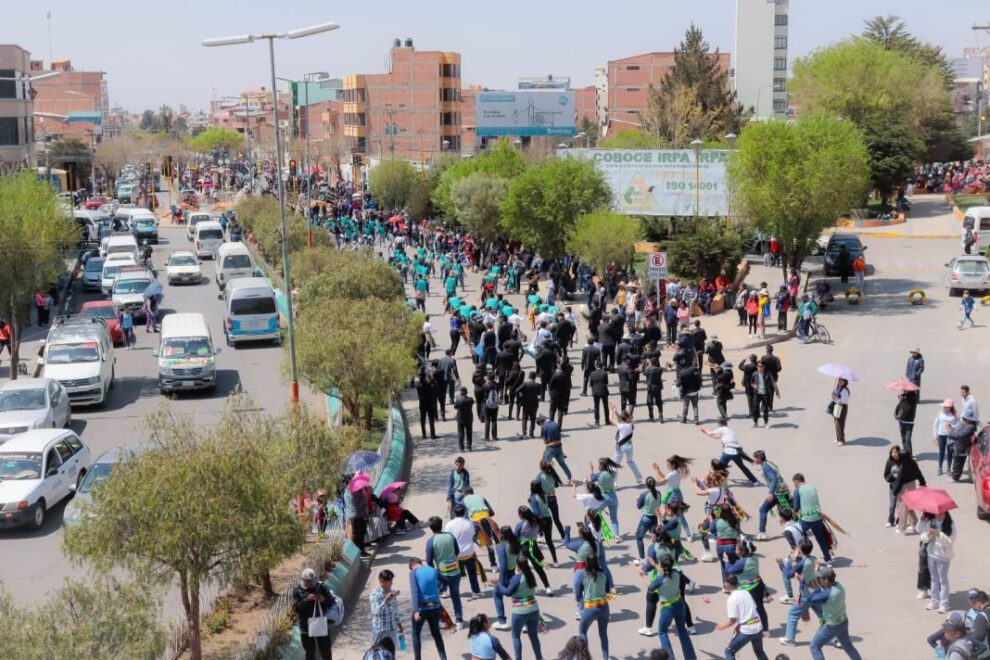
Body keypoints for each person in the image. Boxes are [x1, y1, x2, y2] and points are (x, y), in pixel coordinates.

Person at [644, 554, 697, 660]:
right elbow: (666, 572)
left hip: (668, 608)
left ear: (662, 567)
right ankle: (691, 657)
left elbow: (650, 587)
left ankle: (670, 658)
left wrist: (642, 575)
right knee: (682, 631)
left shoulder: (660, 579)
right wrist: (655, 565)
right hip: (680, 604)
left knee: (662, 632)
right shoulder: (677, 573)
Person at [805, 566, 863, 660]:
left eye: (821, 578)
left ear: (826, 580)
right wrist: (818, 576)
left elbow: (809, 598)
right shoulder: (838, 586)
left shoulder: (827, 594)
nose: (819, 580)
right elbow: (823, 588)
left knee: (814, 647)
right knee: (847, 645)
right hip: (843, 621)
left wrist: (803, 585)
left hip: (832, 626)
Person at [496, 556, 544, 660]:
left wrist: (498, 585)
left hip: (519, 611)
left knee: (515, 636)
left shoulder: (516, 578)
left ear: (518, 566)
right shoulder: (531, 575)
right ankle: (539, 658)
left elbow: (507, 592)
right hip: (534, 609)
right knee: (534, 636)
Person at [778, 538, 821, 647]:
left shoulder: (802, 563)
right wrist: (796, 559)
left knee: (792, 614)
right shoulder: (813, 558)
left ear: (801, 549)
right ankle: (836, 638)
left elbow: (788, 575)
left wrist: (781, 564)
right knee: (823, 615)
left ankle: (789, 639)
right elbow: (800, 565)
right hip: (816, 590)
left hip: (806, 594)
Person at [716, 574, 768, 660]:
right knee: (759, 651)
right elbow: (754, 608)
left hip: (747, 631)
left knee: (729, 652)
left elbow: (732, 620)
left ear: (727, 585)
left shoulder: (732, 599)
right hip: (758, 626)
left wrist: (722, 626)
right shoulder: (746, 592)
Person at [425, 516, 465, 629]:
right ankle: (459, 620)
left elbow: (429, 561)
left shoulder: (431, 541)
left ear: (431, 528)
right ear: (441, 525)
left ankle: (442, 620)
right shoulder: (450, 536)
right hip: (455, 572)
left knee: (434, 597)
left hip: (441, 574)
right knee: (455, 596)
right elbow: (457, 551)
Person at [408, 557, 448, 660]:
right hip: (435, 607)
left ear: (412, 566)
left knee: (416, 633)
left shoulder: (413, 573)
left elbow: (415, 592)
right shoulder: (432, 570)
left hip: (422, 609)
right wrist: (438, 590)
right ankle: (443, 658)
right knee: (436, 633)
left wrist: (416, 610)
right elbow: (445, 581)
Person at [918, 511, 956, 614]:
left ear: (946, 514)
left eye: (942, 514)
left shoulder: (950, 524)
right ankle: (934, 601)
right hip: (931, 555)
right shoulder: (931, 522)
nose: (940, 516)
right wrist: (928, 534)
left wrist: (939, 534)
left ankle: (944, 604)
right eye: (938, 514)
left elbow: (950, 541)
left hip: (943, 557)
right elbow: (922, 536)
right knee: (934, 579)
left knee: (943, 580)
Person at [576, 552, 612, 660]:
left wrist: (579, 600)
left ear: (587, 563)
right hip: (604, 607)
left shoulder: (583, 574)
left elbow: (578, 591)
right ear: (597, 562)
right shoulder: (604, 573)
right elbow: (608, 589)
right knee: (603, 634)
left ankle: (585, 657)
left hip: (589, 608)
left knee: (582, 632)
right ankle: (605, 658)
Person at [700, 419, 760, 484]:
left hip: (728, 452)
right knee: (742, 467)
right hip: (736, 452)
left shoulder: (722, 429)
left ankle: (710, 481)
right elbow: (715, 436)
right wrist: (705, 433)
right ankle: (755, 481)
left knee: (718, 467)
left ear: (720, 424)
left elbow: (711, 433)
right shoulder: (730, 431)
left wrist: (704, 430)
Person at [292, 568, 334, 660]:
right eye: (308, 581)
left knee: (326, 649)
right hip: (306, 627)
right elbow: (296, 607)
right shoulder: (297, 591)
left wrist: (324, 600)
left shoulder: (321, 587)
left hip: (321, 624)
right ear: (303, 580)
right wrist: (307, 599)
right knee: (310, 652)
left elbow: (332, 601)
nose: (311, 583)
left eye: (313, 580)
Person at [883, 445, 926, 533]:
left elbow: (899, 481)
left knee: (902, 507)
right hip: (912, 485)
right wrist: (922, 483)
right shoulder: (912, 462)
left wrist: (894, 492)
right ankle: (915, 523)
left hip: (904, 487)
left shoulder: (903, 467)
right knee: (910, 506)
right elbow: (919, 473)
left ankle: (902, 528)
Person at [791, 474, 833, 562]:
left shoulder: (797, 490)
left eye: (794, 483)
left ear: (797, 481)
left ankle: (799, 557)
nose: (794, 485)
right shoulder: (812, 488)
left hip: (807, 519)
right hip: (818, 517)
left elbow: (796, 508)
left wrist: (792, 513)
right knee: (821, 539)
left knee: (798, 535)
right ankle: (828, 559)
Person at [445, 504, 483, 599]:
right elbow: (473, 535)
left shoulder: (449, 525)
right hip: (469, 553)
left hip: (455, 554)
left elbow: (447, 538)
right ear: (464, 512)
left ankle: (445, 591)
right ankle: (476, 591)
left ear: (453, 513)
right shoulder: (470, 523)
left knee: (451, 573)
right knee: (472, 573)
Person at [752, 450, 791, 540]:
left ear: (759, 458)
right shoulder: (769, 463)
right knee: (786, 510)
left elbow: (773, 479)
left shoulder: (766, 467)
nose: (754, 460)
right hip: (783, 490)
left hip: (777, 492)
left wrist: (770, 493)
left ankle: (762, 532)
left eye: (755, 458)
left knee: (763, 510)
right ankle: (799, 527)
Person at [370, 569, 403, 648]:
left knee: (391, 653)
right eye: (390, 581)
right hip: (380, 630)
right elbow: (375, 612)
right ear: (382, 581)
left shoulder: (392, 591)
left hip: (392, 629)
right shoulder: (375, 594)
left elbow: (395, 610)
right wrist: (385, 601)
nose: (392, 583)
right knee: (379, 653)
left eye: (392, 580)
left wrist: (399, 624)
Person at [611, 405, 644, 483]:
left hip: (620, 447)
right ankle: (638, 478)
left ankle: (614, 482)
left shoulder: (621, 426)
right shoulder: (631, 425)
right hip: (629, 446)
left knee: (615, 464)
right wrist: (616, 411)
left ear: (622, 420)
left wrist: (611, 411)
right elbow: (622, 419)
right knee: (630, 462)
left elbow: (611, 419)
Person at [539, 416, 572, 482]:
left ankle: (544, 479)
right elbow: (559, 438)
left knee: (544, 464)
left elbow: (545, 441)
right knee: (562, 463)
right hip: (559, 448)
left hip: (550, 448)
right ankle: (570, 477)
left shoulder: (544, 427)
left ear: (541, 422)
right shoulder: (555, 424)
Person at [949, 409, 978, 482]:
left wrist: (950, 431)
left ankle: (955, 477)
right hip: (959, 446)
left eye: (964, 419)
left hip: (963, 448)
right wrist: (952, 429)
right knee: (956, 462)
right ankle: (954, 475)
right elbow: (956, 430)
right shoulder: (965, 424)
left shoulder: (970, 427)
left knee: (959, 463)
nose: (963, 420)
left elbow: (959, 435)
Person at [933, 400, 958, 476]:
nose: (945, 408)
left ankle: (949, 469)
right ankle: (940, 468)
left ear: (950, 407)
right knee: (941, 452)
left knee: (950, 453)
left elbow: (958, 425)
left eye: (947, 407)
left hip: (950, 435)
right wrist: (935, 435)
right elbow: (935, 425)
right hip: (941, 435)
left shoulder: (954, 415)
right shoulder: (940, 414)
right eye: (944, 406)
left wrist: (951, 426)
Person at [750, 362, 779, 428]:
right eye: (758, 366)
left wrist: (777, 392)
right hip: (757, 394)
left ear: (764, 367)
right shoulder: (754, 374)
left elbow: (773, 382)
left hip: (765, 394)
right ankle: (755, 422)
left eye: (761, 366)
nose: (760, 367)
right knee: (755, 409)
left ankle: (766, 423)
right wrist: (754, 385)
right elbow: (751, 383)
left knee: (765, 409)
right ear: (757, 367)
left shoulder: (768, 374)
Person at [517, 372, 542, 438]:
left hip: (525, 403)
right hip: (534, 404)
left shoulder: (525, 384)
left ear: (528, 377)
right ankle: (531, 433)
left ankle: (524, 433)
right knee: (533, 418)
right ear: (535, 377)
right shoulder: (538, 385)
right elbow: (540, 393)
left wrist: (521, 395)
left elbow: (517, 391)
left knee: (524, 418)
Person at [894, 389, 919, 456]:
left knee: (907, 439)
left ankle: (909, 454)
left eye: (905, 390)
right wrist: (896, 414)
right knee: (903, 437)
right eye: (903, 390)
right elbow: (899, 406)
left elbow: (909, 405)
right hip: (901, 421)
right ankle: (905, 450)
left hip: (909, 422)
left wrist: (904, 398)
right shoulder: (903, 396)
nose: (904, 391)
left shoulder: (913, 397)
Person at [416, 375, 438, 440]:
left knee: (422, 420)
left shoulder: (418, 386)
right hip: (430, 404)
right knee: (431, 419)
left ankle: (424, 435)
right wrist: (432, 379)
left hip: (422, 404)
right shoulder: (429, 385)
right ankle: (432, 434)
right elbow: (435, 386)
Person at [588, 361, 611, 426]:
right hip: (603, 390)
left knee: (596, 407)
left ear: (596, 365)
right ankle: (607, 420)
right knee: (605, 406)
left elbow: (591, 384)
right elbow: (606, 382)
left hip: (595, 391)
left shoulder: (592, 373)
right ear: (602, 366)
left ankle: (597, 421)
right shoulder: (604, 373)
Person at [454, 387, 475, 451]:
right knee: (469, 433)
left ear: (460, 392)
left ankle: (461, 448)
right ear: (467, 392)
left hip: (460, 419)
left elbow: (455, 407)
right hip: (469, 418)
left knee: (461, 433)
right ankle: (469, 447)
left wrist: (457, 398)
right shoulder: (470, 399)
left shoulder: (458, 400)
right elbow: (473, 402)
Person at [831, 378, 850, 446]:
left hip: (842, 407)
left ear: (845, 382)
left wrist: (836, 397)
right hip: (836, 406)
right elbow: (835, 398)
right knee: (836, 422)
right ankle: (838, 438)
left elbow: (844, 401)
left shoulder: (845, 390)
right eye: (839, 380)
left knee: (840, 423)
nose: (839, 382)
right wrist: (833, 395)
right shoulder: (838, 388)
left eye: (841, 381)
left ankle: (841, 440)